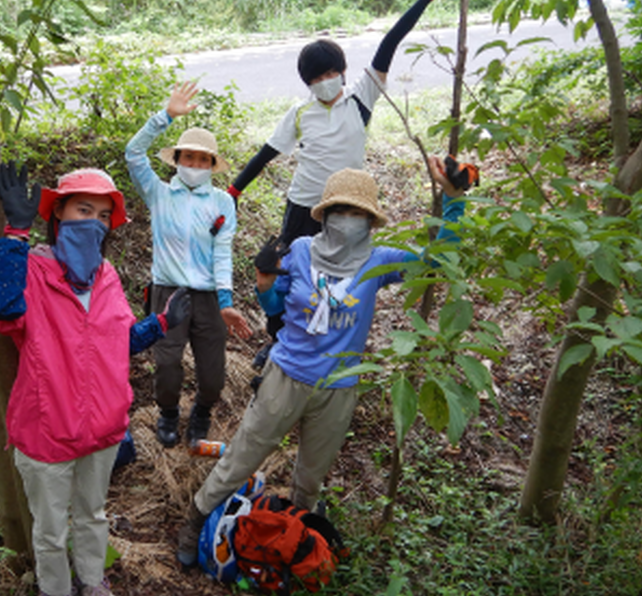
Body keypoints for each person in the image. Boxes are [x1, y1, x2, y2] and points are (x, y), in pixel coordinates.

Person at [175, 156, 473, 567]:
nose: (347, 220)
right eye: (340, 211)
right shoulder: (299, 251)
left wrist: (453, 201)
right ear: (326, 215)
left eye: (357, 213)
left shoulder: (379, 261)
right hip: (285, 377)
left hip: (338, 388)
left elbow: (437, 263)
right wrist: (264, 286)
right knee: (243, 455)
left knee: (310, 477)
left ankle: (298, 539)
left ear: (370, 221)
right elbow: (275, 305)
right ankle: (196, 518)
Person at [0, 163, 191, 596]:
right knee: (51, 531)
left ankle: (93, 582)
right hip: (47, 431)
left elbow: (116, 342)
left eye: (100, 215)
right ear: (57, 216)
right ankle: (55, 590)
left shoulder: (107, 276)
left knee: (93, 515)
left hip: (103, 429)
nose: (91, 221)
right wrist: (15, 234)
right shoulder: (32, 270)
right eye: (82, 210)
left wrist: (160, 324)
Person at [226, 0, 453, 359]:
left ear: (343, 72)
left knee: (341, 275)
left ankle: (333, 341)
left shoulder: (361, 99)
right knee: (287, 276)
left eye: (331, 73)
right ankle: (279, 342)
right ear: (308, 83)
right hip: (302, 206)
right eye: (317, 78)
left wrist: (424, 0)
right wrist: (234, 189)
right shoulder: (300, 113)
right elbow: (267, 153)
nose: (326, 82)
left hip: (347, 209)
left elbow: (389, 42)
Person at [125, 81, 253, 449]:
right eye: (188, 158)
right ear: (177, 160)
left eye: (203, 160)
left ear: (212, 165)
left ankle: (201, 412)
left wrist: (226, 302)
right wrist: (165, 116)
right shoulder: (160, 193)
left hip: (210, 297)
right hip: (168, 292)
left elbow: (222, 252)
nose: (195, 165)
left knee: (213, 373)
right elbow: (133, 154)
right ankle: (167, 413)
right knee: (166, 364)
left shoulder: (222, 203)